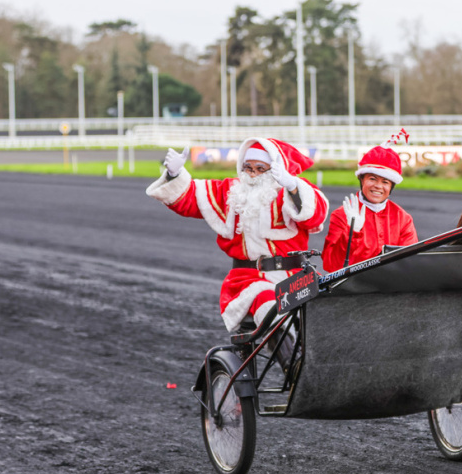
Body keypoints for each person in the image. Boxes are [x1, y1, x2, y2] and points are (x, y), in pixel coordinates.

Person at [146, 138, 329, 333]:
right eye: (248, 168)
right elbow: (190, 198)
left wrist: (292, 185)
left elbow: (315, 217)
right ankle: (291, 362)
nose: (253, 174)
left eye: (260, 169)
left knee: (328, 309)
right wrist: (174, 174)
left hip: (296, 276)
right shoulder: (231, 192)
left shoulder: (290, 192)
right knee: (270, 304)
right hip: (248, 279)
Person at [322, 131, 418, 272]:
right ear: (361, 179)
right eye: (372, 179)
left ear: (392, 186)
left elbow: (410, 263)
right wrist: (352, 232)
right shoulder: (341, 215)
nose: (378, 186)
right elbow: (331, 266)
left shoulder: (403, 218)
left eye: (385, 181)